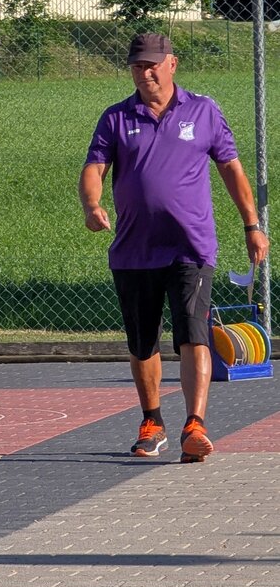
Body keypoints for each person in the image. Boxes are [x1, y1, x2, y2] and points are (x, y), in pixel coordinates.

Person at [79, 32, 269, 463]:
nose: (144, 73)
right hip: (134, 249)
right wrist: (92, 205)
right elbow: (94, 168)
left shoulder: (203, 111)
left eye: (151, 65)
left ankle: (194, 425)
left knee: (192, 332)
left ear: (171, 64)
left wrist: (252, 225)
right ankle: (152, 423)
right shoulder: (116, 118)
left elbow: (232, 169)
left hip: (191, 246)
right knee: (142, 340)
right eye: (136, 66)